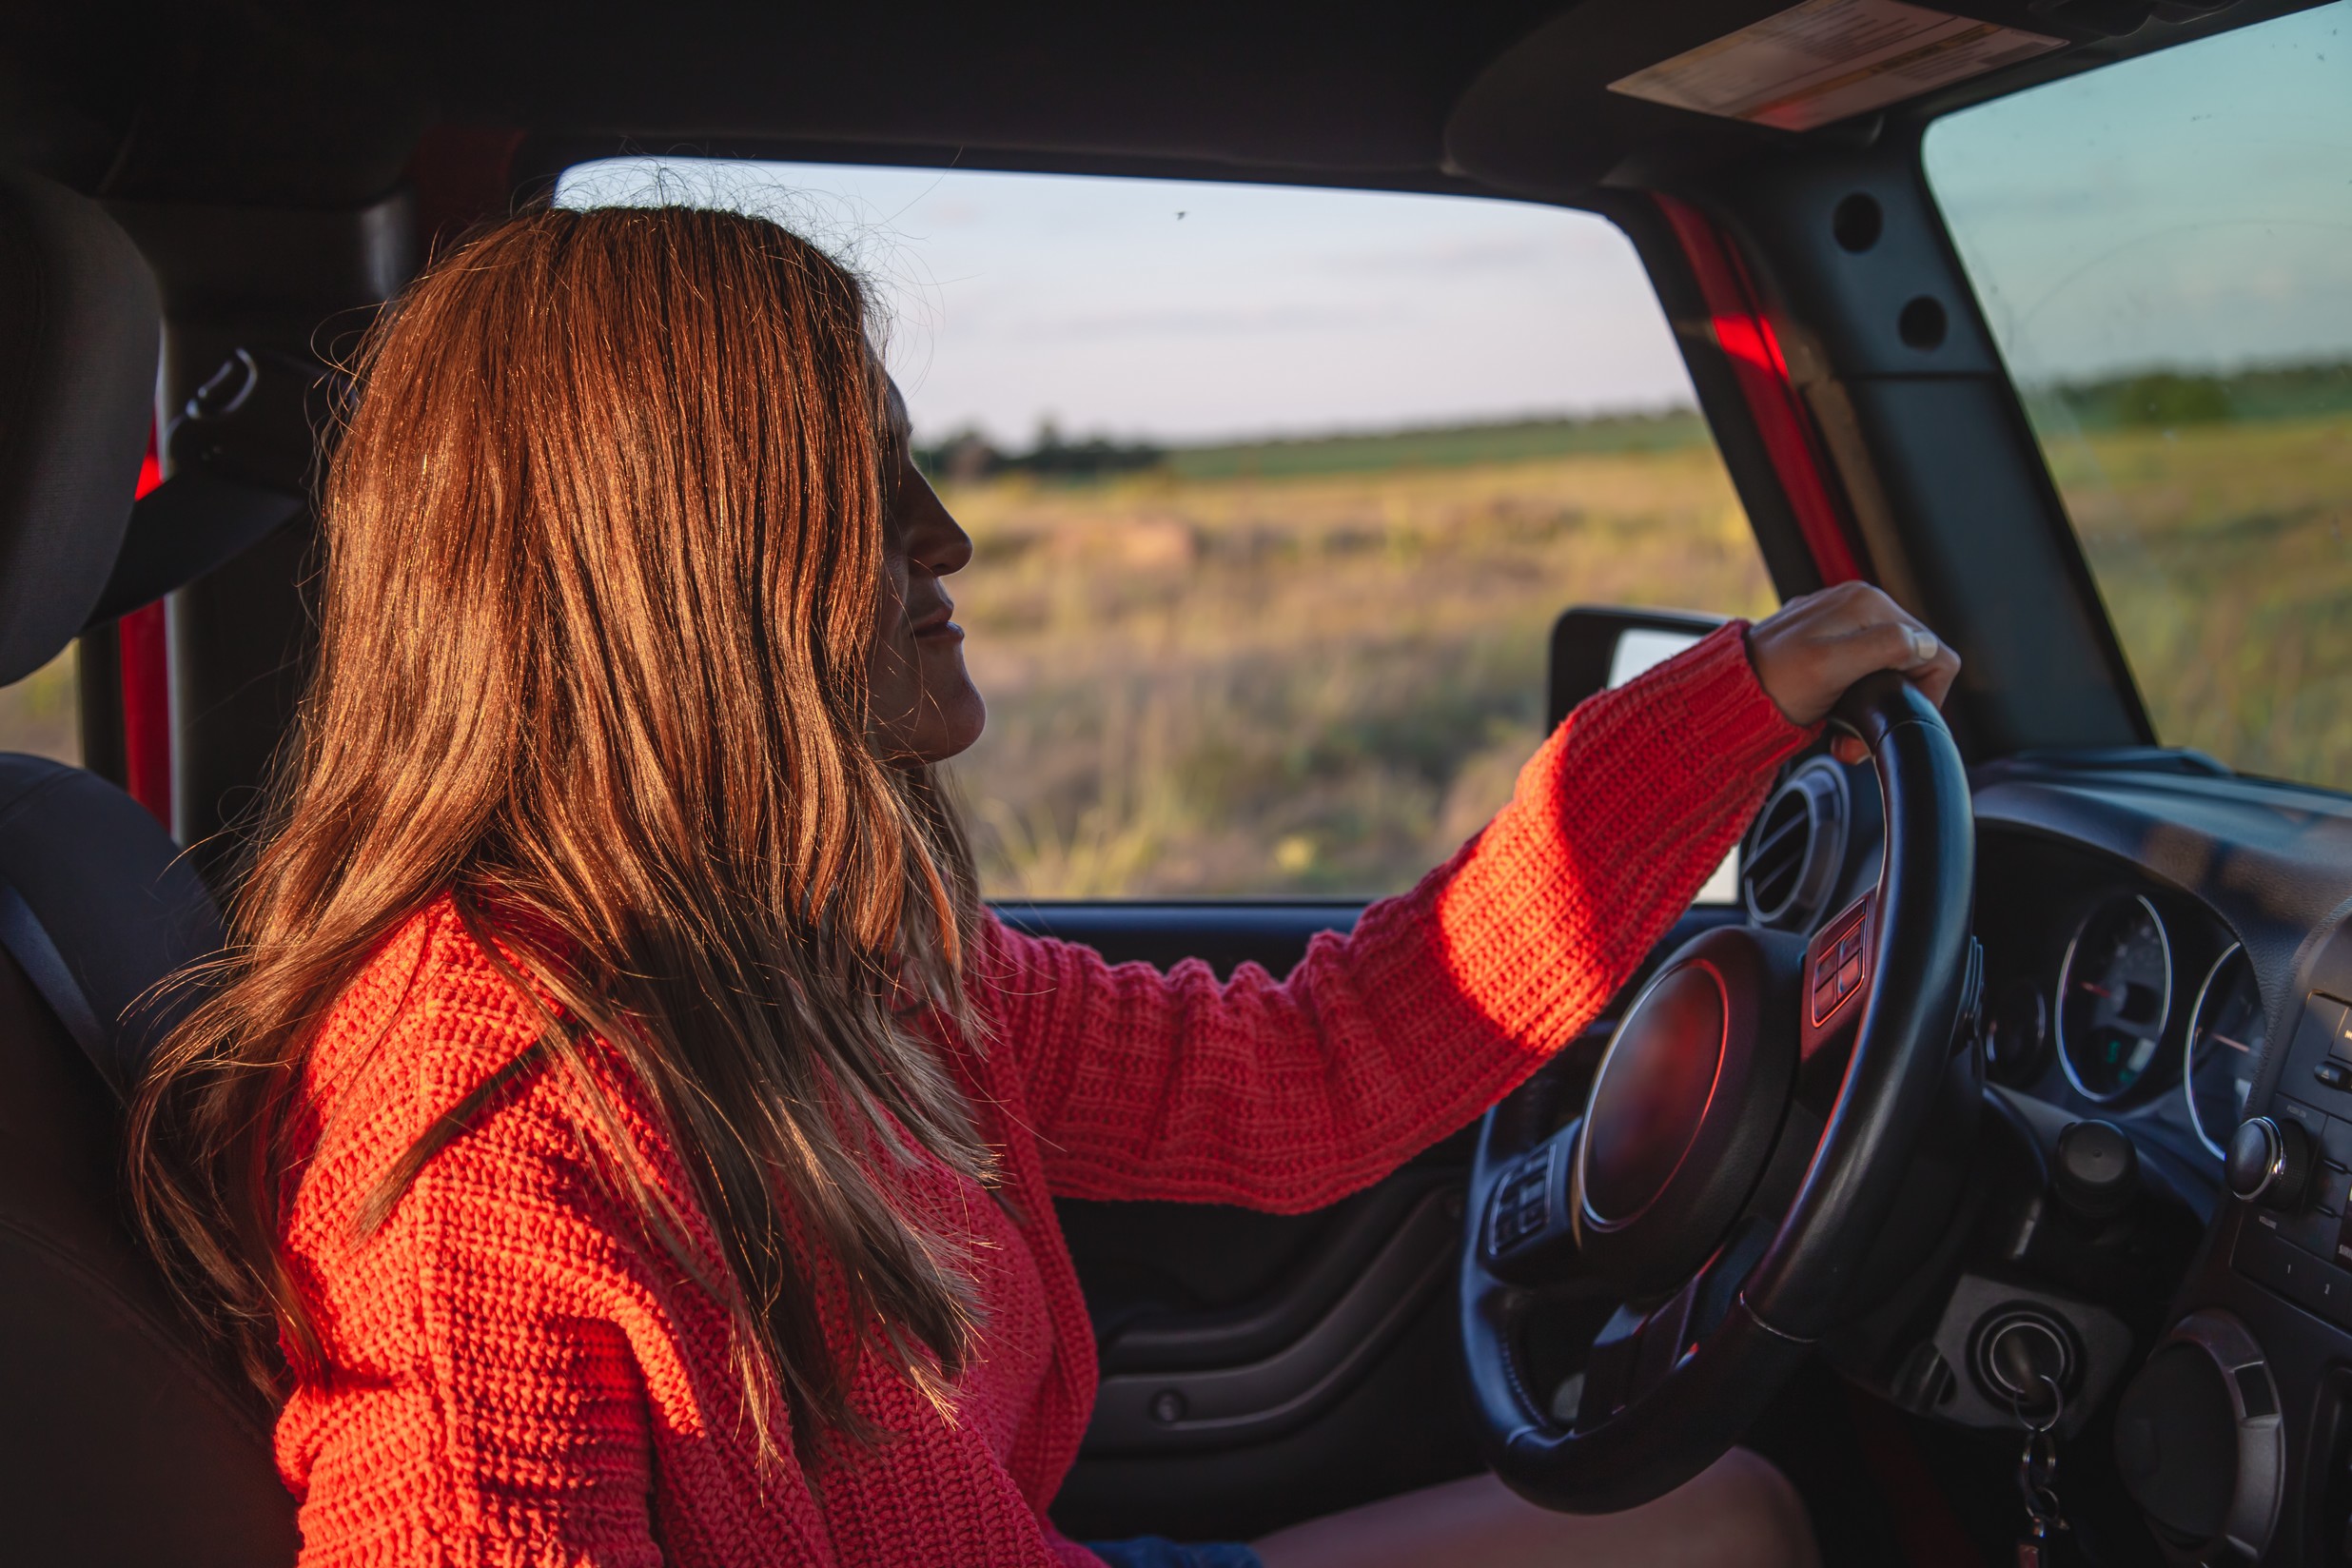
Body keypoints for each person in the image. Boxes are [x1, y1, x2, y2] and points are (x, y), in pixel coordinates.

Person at [128, 203, 1957, 1568]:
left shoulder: (826, 949)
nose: (948, 533)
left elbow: (1310, 1073)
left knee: (1731, 1517)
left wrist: (1733, 710)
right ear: (672, 577)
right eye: (861, 479)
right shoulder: (478, 1130)